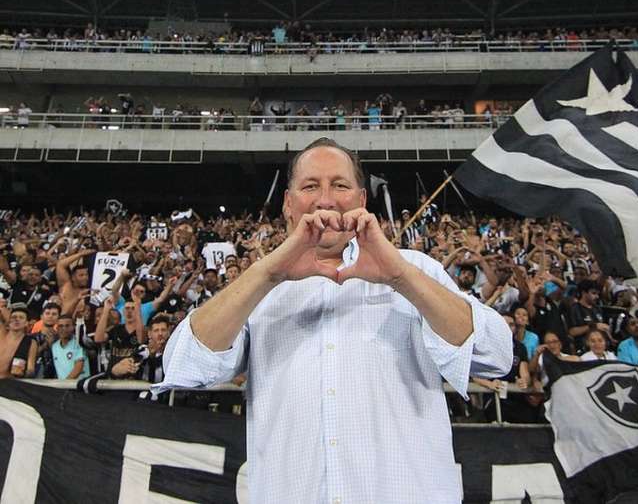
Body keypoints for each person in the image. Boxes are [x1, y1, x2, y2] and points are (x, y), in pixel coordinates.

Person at [156, 137, 512, 503]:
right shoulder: (259, 287)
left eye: (339, 185)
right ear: (289, 205)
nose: (325, 199)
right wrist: (265, 276)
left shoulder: (416, 270)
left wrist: (401, 278)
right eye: (310, 186)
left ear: (361, 201)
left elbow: (496, 355)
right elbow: (183, 365)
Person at [0, 304, 38, 378]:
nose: (16, 319)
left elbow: (31, 368)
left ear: (27, 323)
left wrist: (25, 372)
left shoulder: (30, 342)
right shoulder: (1, 333)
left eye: (21, 317)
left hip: (10, 383)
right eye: (13, 317)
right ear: (9, 320)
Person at [51, 314, 89, 380]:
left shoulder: (79, 343)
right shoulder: (54, 346)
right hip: (63, 387)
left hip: (79, 386)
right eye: (61, 326)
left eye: (67, 326)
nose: (64, 329)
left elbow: (78, 369)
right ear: (57, 328)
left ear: (73, 327)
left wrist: (64, 384)